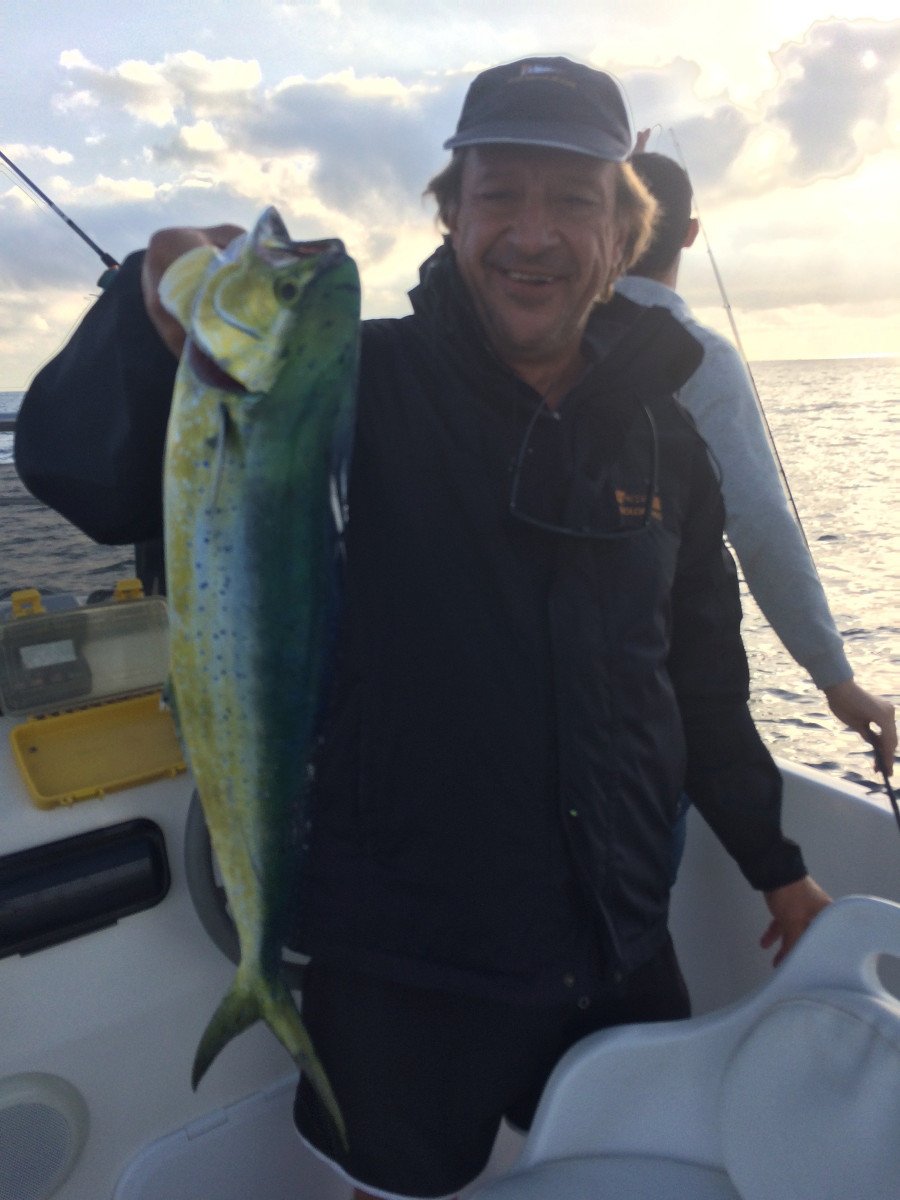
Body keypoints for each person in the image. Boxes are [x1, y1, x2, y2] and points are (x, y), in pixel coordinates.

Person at [15, 57, 830, 1200]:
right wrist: (143, 316)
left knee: (632, 1171)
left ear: (621, 231)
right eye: (498, 195)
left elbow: (700, 683)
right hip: (404, 956)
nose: (532, 235)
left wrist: (782, 871)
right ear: (450, 218)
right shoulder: (346, 379)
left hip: (619, 936)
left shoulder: (665, 439)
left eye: (573, 200)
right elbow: (80, 476)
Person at [615, 151, 896, 775]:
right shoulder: (701, 359)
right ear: (691, 233)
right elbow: (761, 523)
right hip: (656, 696)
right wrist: (836, 680)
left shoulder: (546, 349)